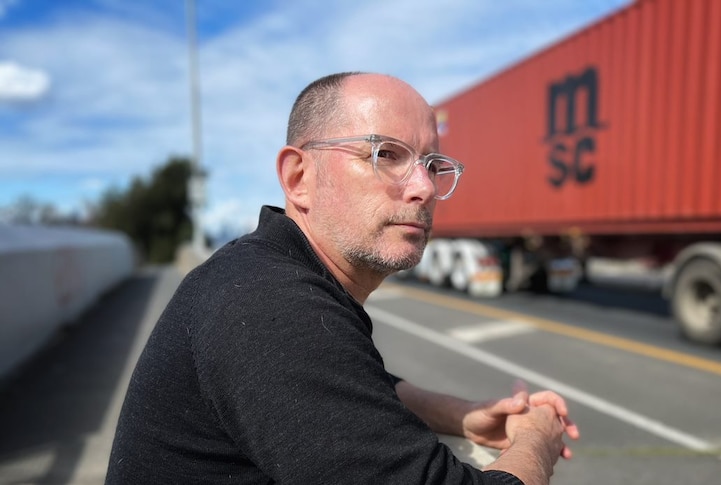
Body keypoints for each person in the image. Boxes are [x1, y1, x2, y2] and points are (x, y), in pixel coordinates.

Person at [106, 72, 579, 484]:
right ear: (298, 178)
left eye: (433, 165)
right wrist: (537, 437)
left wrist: (463, 415)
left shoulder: (262, 271)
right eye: (386, 154)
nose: (424, 188)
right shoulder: (269, 306)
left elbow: (351, 382)